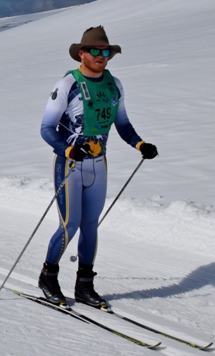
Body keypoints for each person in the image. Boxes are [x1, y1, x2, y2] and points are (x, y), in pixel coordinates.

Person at [38, 26, 158, 309]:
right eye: (95, 51)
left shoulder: (114, 85)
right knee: (71, 225)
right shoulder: (67, 84)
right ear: (82, 53)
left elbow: (123, 124)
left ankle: (84, 286)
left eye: (106, 52)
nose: (101, 56)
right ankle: (48, 277)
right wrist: (68, 149)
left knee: (91, 227)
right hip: (69, 164)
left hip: (98, 164)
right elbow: (46, 128)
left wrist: (140, 145)